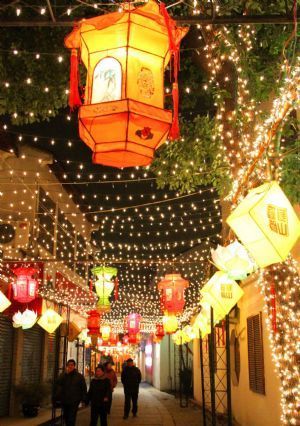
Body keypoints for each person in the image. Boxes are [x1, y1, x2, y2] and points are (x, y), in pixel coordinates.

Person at [54, 359, 87, 426]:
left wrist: (83, 400)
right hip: (65, 400)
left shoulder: (79, 376)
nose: (70, 366)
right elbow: (58, 383)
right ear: (67, 366)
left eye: (72, 365)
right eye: (69, 365)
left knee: (71, 417)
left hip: (74, 400)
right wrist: (64, 375)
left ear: (74, 366)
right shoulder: (63, 375)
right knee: (66, 416)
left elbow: (83, 388)